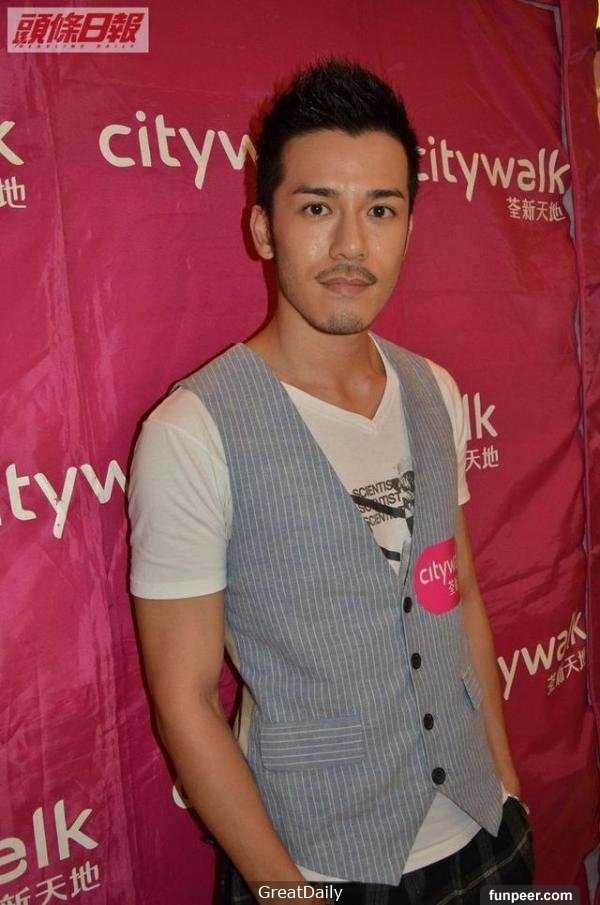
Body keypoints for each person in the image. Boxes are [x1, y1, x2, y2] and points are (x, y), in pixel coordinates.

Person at [128, 60, 534, 904]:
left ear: (409, 228)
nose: (351, 246)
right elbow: (184, 701)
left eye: (380, 210)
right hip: (317, 865)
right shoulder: (192, 433)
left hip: (482, 831)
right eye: (317, 207)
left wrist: (508, 788)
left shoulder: (434, 391)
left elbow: (458, 593)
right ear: (263, 227)